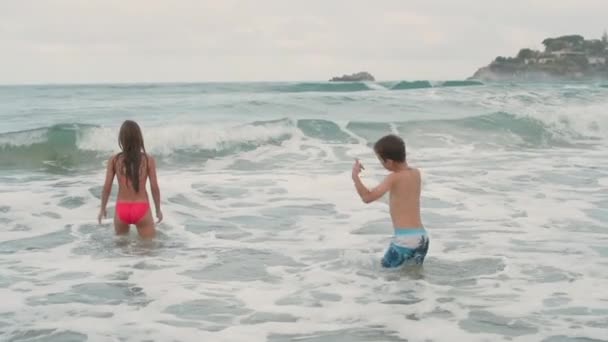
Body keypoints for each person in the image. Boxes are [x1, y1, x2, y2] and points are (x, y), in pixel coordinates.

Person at [351, 134, 429, 268]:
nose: (382, 164)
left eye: (381, 161)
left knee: (385, 275)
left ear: (389, 162)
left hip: (405, 240)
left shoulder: (393, 178)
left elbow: (367, 198)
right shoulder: (416, 173)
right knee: (411, 277)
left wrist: (355, 178)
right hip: (422, 238)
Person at [98, 120, 162, 239]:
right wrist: (158, 209)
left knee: (121, 251)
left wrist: (102, 209)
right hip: (141, 207)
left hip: (122, 208)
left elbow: (107, 187)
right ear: (139, 138)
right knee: (148, 251)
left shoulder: (114, 160)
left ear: (122, 139)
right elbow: (154, 187)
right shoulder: (148, 159)